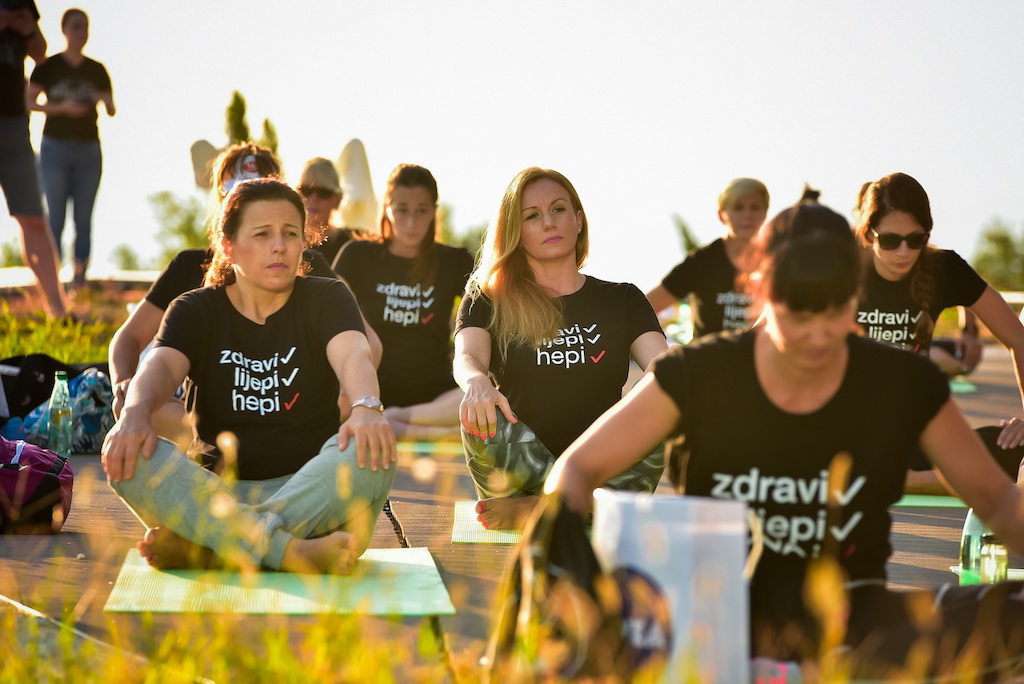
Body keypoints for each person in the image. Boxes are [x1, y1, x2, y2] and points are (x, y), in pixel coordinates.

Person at [547, 201, 1024, 677]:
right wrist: (575, 576)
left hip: (853, 630)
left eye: (833, 312)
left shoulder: (903, 380)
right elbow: (576, 469)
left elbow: (998, 500)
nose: (816, 336)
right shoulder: (697, 374)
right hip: (715, 628)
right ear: (760, 290)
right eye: (797, 314)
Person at [102, 178, 397, 574]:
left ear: (303, 242)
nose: (279, 246)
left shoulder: (327, 297)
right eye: (262, 234)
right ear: (228, 246)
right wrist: (134, 415)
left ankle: (212, 548)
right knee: (129, 451)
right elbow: (160, 366)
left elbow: (354, 354)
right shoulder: (194, 309)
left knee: (372, 449)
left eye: (290, 233)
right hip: (214, 493)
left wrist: (366, 407)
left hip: (311, 491)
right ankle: (288, 552)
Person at [455, 167, 668, 530]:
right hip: (519, 467)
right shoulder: (488, 298)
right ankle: (578, 510)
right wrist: (476, 381)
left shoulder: (623, 299)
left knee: (664, 394)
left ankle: (542, 510)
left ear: (578, 220)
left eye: (558, 209)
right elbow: (467, 356)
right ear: (515, 232)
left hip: (604, 467)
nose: (549, 222)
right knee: (476, 410)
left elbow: (663, 363)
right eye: (532, 216)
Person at [107, 143, 354, 445]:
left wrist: (352, 398)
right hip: (197, 420)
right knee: (137, 406)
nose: (245, 194)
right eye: (234, 187)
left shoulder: (303, 262)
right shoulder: (189, 269)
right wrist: (125, 386)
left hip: (293, 417)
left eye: (259, 186)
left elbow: (364, 344)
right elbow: (130, 338)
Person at [855, 173, 1024, 491]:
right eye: (890, 241)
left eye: (915, 240)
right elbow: (763, 336)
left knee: (1016, 448)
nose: (903, 252)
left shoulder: (943, 268)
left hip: (912, 436)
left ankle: (909, 479)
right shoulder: (838, 268)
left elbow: (1018, 338)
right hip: (844, 432)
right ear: (868, 233)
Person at [334, 164, 473, 441]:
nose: (411, 222)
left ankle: (395, 421)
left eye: (421, 211)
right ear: (387, 208)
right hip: (372, 389)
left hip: (438, 392)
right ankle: (430, 430)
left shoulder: (455, 261)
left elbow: (486, 316)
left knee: (484, 387)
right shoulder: (358, 256)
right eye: (402, 210)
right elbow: (330, 315)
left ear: (434, 211)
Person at [26, 8, 114, 290]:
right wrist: (61, 107)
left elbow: (111, 108)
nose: (81, 32)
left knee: (83, 218)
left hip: (89, 148)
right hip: (55, 148)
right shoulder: (49, 67)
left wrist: (101, 98)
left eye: (85, 27)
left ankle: (79, 280)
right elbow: (29, 101)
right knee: (56, 216)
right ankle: (53, 282)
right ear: (64, 30)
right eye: (76, 26)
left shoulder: (96, 70)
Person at [0, 0, 67, 317]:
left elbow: (40, 53)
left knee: (34, 219)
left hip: (14, 123)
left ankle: (58, 310)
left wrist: (28, 30)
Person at [645, 178, 769, 338]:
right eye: (738, 207)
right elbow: (645, 308)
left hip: (761, 354)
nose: (747, 215)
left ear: (765, 213)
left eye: (755, 207)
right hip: (706, 354)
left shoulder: (777, 261)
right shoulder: (701, 261)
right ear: (722, 215)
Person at [298, 156, 358, 266]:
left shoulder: (350, 245)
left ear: (338, 200)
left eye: (323, 192)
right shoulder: (285, 241)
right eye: (306, 190)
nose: (313, 199)